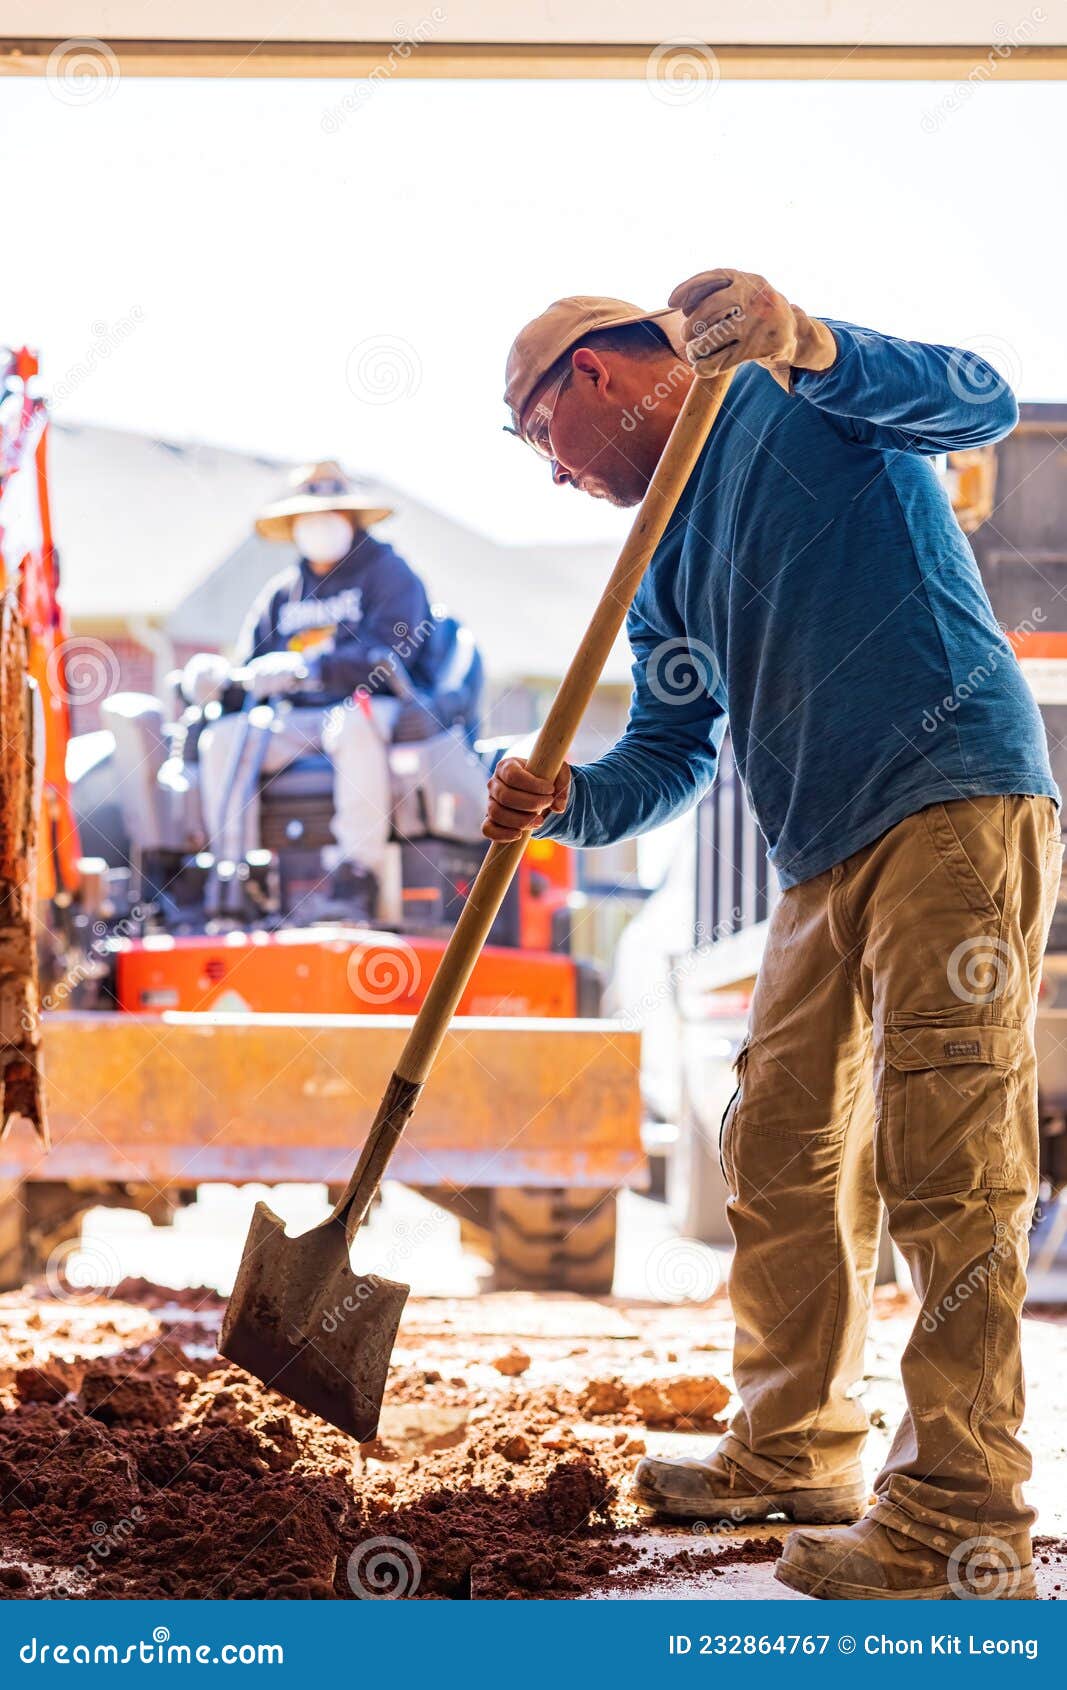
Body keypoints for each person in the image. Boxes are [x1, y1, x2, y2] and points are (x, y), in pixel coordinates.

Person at [486, 271, 1061, 1600]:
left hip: (948, 798)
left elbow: (971, 404)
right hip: (815, 858)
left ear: (590, 376)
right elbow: (670, 752)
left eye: (535, 440)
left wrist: (809, 341)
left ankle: (956, 1517)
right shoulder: (661, 557)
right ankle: (793, 1447)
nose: (551, 478)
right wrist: (571, 798)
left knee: (945, 1149)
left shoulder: (792, 392)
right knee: (784, 1153)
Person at [196, 462, 439, 919]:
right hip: (294, 721)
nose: (320, 527)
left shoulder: (390, 575)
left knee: (353, 721)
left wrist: (311, 668)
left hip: (377, 709)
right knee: (224, 738)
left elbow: (392, 655)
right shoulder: (282, 594)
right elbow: (250, 669)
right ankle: (235, 877)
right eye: (309, 519)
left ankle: (356, 876)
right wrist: (220, 681)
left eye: (330, 515)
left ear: (350, 519)